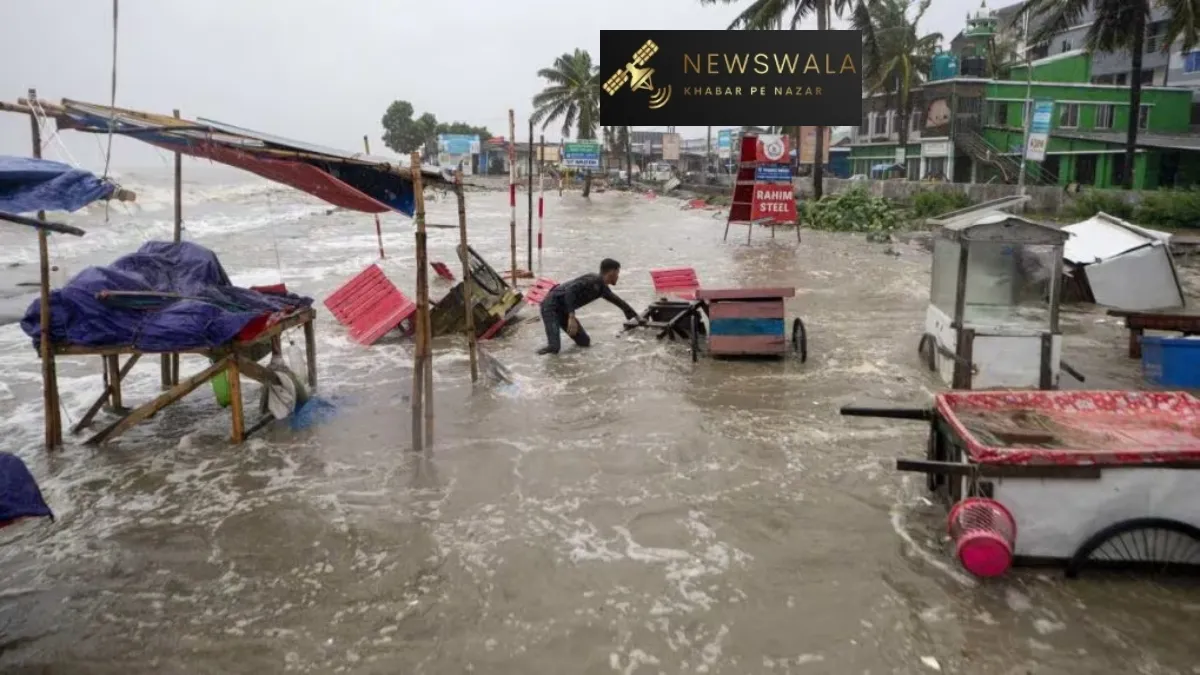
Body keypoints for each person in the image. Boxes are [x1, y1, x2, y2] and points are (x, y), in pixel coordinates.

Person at [537, 258, 640, 355]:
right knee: (554, 348)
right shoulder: (592, 280)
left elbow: (620, 302)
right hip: (550, 306)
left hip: (564, 310)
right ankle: (530, 359)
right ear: (612, 272)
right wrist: (571, 317)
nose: (618, 276)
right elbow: (569, 291)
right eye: (618, 273)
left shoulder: (603, 288)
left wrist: (637, 318)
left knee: (584, 342)